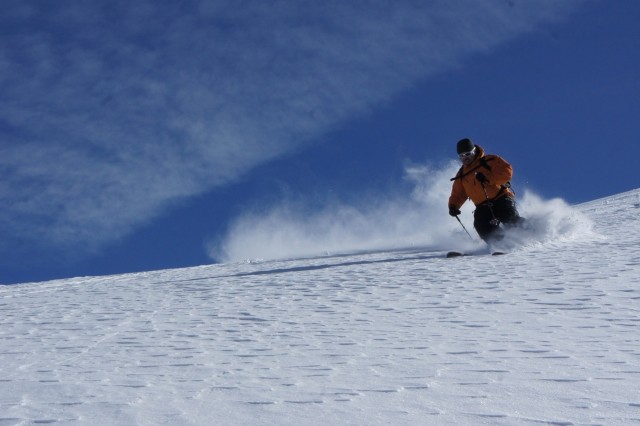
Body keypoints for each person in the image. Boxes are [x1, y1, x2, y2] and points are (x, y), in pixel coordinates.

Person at [448, 138, 522, 243]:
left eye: (468, 154)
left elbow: (506, 172)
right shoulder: (461, 175)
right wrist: (453, 206)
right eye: (461, 156)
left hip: (501, 198)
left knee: (509, 217)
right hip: (482, 206)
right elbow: (458, 194)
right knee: (481, 225)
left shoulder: (489, 160)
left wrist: (488, 178)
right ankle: (502, 244)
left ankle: (530, 233)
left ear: (474, 151)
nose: (465, 158)